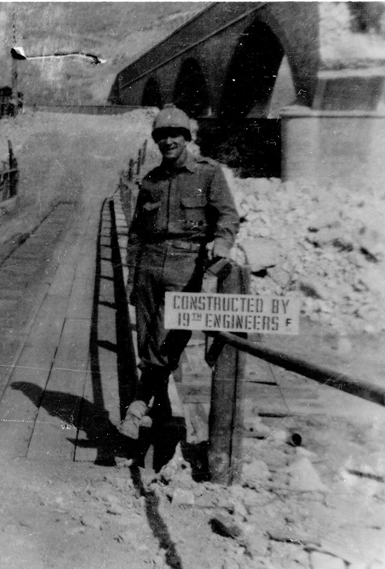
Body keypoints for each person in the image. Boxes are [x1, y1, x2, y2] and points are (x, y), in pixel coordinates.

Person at [119, 104, 240, 439]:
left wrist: (222, 243)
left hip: (185, 268)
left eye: (174, 135)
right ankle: (155, 405)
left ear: (186, 138)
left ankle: (138, 405)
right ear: (156, 141)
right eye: (162, 136)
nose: (168, 141)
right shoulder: (152, 181)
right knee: (146, 339)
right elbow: (137, 235)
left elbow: (228, 216)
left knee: (169, 337)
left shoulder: (208, 173)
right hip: (148, 265)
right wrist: (132, 277)